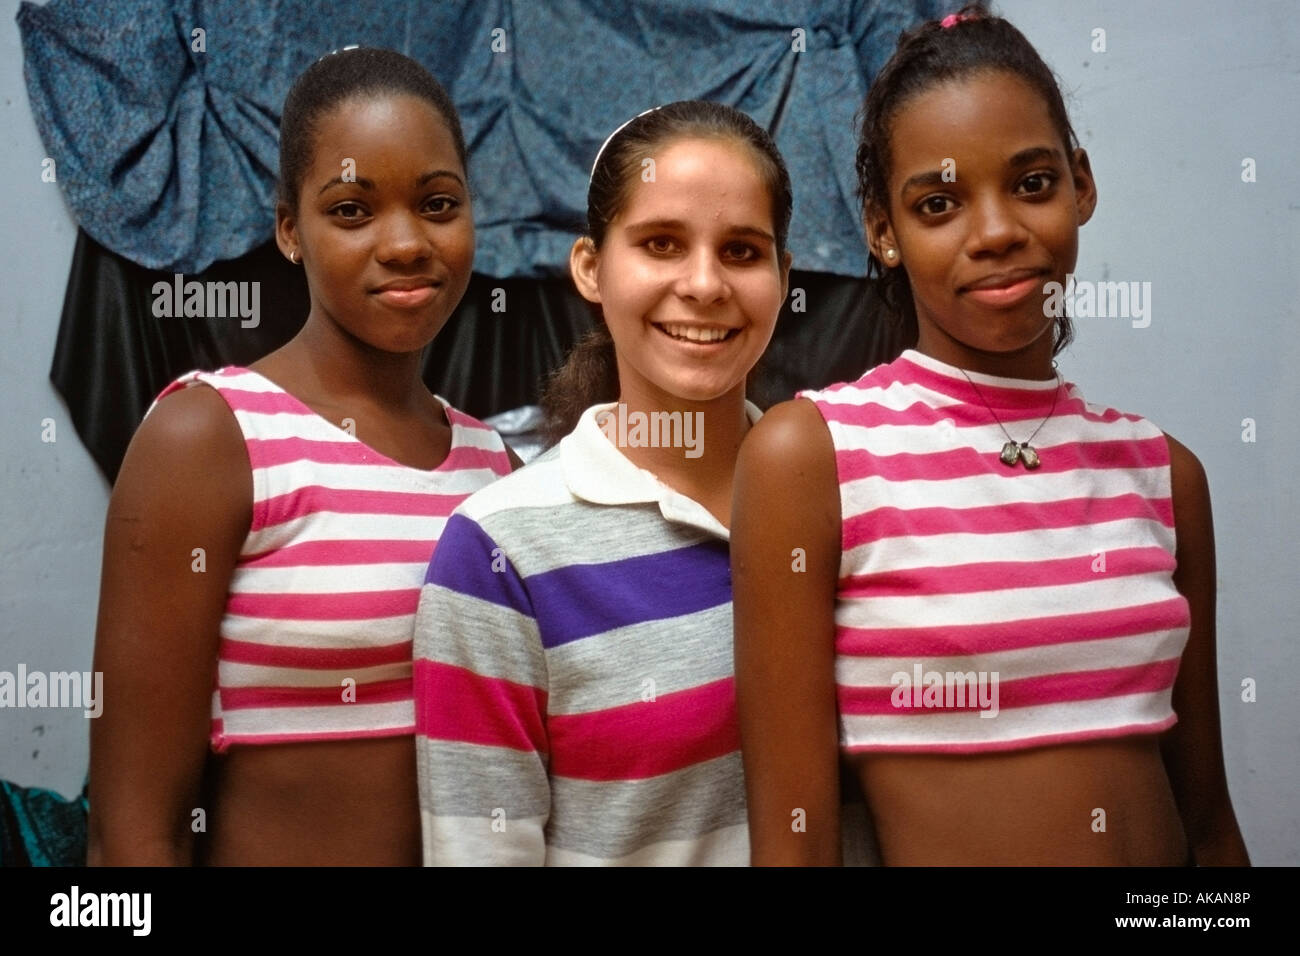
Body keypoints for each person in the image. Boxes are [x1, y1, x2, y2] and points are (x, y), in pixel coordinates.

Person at [731, 6, 1250, 866]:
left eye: (1033, 183)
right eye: (938, 203)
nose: (998, 230)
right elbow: (795, 845)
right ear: (882, 230)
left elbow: (1208, 828)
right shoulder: (814, 457)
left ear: (1082, 183)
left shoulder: (1163, 473)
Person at [88, 47, 517, 865]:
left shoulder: (493, 465)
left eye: (436, 204)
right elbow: (130, 834)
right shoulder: (211, 438)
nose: (404, 244)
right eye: (353, 210)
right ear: (290, 230)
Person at [412, 101, 793, 865]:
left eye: (743, 251)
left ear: (785, 276)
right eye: (660, 244)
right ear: (591, 267)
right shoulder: (500, 552)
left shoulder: (845, 500)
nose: (705, 283)